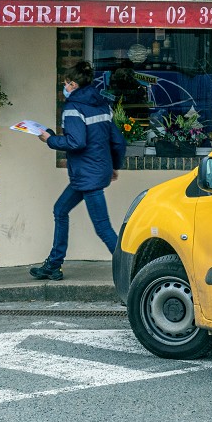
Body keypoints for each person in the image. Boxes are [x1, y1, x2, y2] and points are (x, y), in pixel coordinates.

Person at [30, 60, 126, 281]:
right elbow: (118, 142)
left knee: (103, 228)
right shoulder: (102, 104)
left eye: (65, 83)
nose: (64, 87)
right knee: (60, 210)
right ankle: (54, 264)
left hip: (86, 175)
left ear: (73, 84)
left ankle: (131, 269)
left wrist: (50, 139)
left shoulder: (73, 108)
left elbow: (76, 142)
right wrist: (114, 165)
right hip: (94, 172)